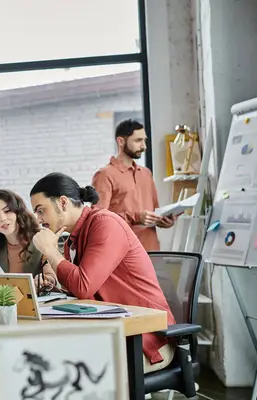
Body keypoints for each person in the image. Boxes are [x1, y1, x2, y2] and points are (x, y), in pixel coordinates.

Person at [29, 172, 176, 374]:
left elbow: (83, 286)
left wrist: (50, 251)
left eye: (40, 210)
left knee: (74, 374)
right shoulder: (73, 239)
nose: (38, 220)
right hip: (113, 335)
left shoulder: (105, 223)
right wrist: (52, 284)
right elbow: (82, 291)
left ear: (63, 203)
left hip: (145, 340)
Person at [91, 119, 175, 251]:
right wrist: (136, 217)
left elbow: (154, 212)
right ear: (121, 141)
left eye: (144, 140)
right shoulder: (104, 175)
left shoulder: (146, 173)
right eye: (138, 141)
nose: (144, 146)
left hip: (151, 251)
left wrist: (164, 220)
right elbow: (99, 219)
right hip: (123, 254)